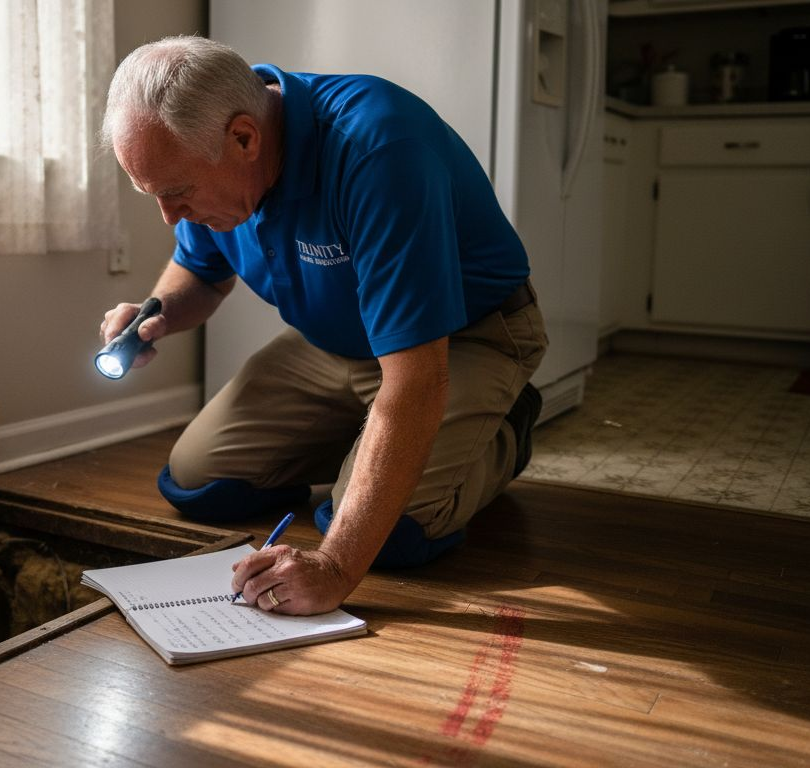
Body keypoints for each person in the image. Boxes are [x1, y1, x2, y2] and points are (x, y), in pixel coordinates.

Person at [97, 36, 547, 616]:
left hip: (460, 339)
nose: (169, 215)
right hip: (334, 343)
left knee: (389, 533)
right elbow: (201, 275)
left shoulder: (378, 149)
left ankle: (504, 428)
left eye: (177, 193)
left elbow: (415, 381)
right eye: (154, 196)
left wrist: (335, 567)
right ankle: (367, 444)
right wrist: (154, 314)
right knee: (198, 483)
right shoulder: (210, 151)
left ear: (244, 138)